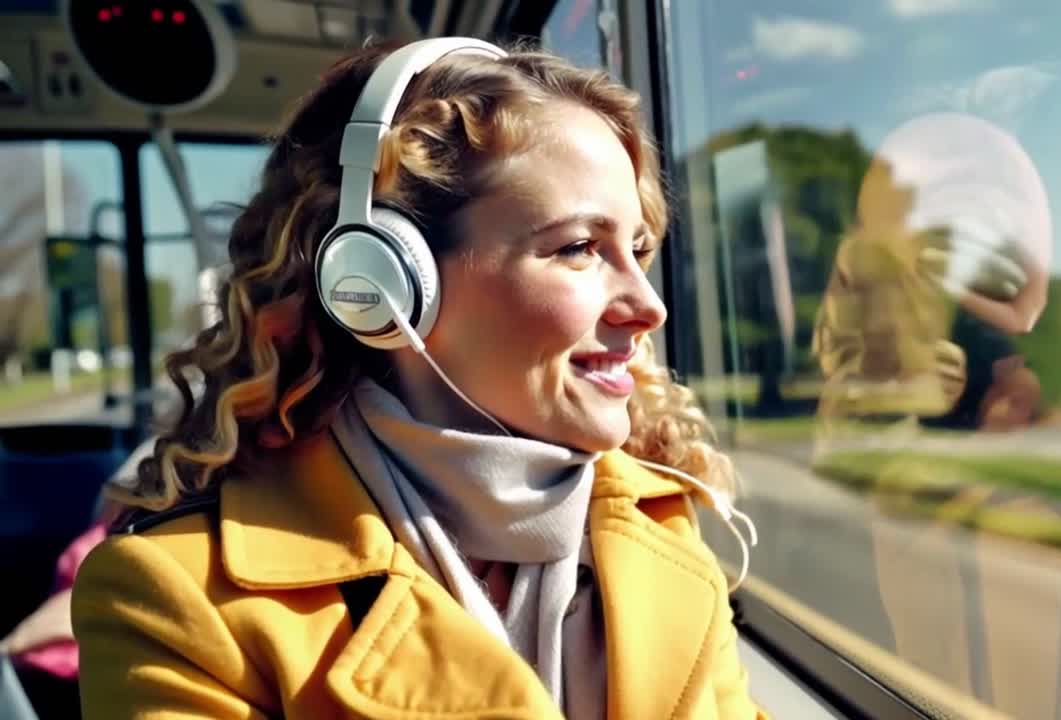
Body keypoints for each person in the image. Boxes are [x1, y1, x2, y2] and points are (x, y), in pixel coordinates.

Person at [72, 37, 765, 719]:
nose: (649, 306)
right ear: (380, 283)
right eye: (580, 247)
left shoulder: (660, 523)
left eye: (637, 249)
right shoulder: (177, 600)